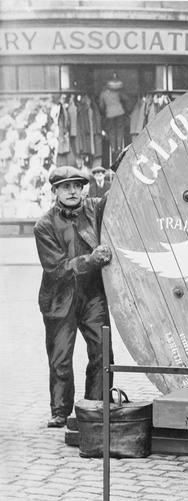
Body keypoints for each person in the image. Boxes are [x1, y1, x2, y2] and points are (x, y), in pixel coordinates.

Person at [34, 166, 114, 428]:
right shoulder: (44, 226)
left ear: (83, 189)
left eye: (77, 186)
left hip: (92, 295)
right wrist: (90, 259)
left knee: (102, 352)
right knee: (60, 358)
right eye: (65, 186)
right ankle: (60, 410)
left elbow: (121, 198)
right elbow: (57, 268)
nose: (72, 191)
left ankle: (95, 405)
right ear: (55, 190)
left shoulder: (95, 208)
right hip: (59, 298)